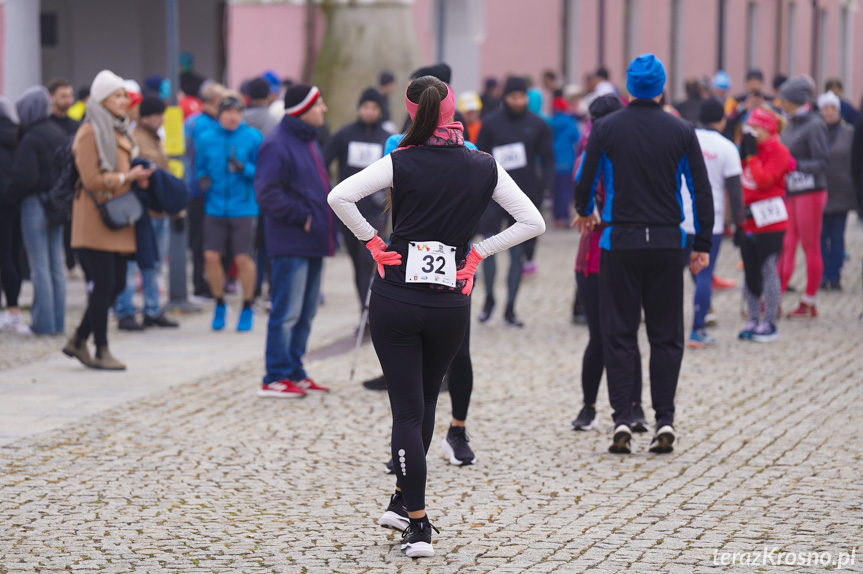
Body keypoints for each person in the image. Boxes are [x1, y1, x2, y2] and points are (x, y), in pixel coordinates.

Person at [328, 75, 545, 558]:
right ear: (452, 111)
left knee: (407, 410)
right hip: (450, 299)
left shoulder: (400, 159)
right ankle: (401, 504)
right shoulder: (482, 165)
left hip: (397, 294)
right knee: (425, 401)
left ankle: (418, 523)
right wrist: (477, 255)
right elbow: (533, 221)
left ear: (413, 113)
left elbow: (338, 196)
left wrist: (373, 244)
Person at [574, 54, 713, 455]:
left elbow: (587, 179)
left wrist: (584, 212)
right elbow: (700, 191)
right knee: (666, 335)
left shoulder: (605, 127)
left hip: (620, 241)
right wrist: (702, 244)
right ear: (662, 86)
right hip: (669, 241)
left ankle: (621, 418)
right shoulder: (683, 130)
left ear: (630, 87)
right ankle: (664, 419)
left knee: (619, 332)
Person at [63, 70, 153, 370]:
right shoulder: (90, 131)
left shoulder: (118, 129)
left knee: (113, 286)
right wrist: (128, 176)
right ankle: (101, 349)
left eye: (124, 95)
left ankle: (78, 339)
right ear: (102, 100)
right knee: (104, 284)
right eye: (117, 96)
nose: (124, 101)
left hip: (117, 216)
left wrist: (136, 178)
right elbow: (91, 179)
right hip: (95, 217)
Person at [570, 94, 647, 433]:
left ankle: (636, 405)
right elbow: (582, 196)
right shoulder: (586, 153)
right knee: (598, 336)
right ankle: (588, 407)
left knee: (627, 333)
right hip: (592, 257)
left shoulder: (634, 154)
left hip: (626, 252)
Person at [254, 84, 335, 398]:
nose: (324, 110)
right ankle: (274, 376)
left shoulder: (309, 141)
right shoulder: (276, 143)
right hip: (291, 240)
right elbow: (267, 193)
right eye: (319, 104)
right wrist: (304, 216)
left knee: (306, 311)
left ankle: (294, 370)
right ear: (302, 110)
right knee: (286, 311)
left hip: (313, 239)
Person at [475, 76, 554, 326]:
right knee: (487, 248)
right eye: (513, 97)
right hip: (492, 195)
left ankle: (510, 307)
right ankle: (488, 300)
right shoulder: (490, 123)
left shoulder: (538, 124)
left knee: (517, 252)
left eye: (522, 97)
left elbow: (548, 159)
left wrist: (547, 189)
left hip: (524, 195)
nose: (518, 101)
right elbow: (477, 157)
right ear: (505, 97)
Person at [679, 98, 743, 347]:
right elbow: (735, 191)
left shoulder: (684, 139)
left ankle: (668, 326)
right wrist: (739, 223)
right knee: (704, 274)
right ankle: (697, 330)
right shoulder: (727, 147)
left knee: (673, 274)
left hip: (679, 218)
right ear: (722, 120)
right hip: (710, 220)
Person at [196, 94, 262, 332]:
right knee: (211, 256)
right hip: (214, 206)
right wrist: (201, 179)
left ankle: (247, 305)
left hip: (243, 206)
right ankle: (220, 302)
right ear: (219, 114)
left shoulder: (252, 137)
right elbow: (200, 166)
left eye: (238, 112)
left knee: (242, 258)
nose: (233, 117)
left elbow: (262, 171)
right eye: (228, 112)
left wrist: (245, 168)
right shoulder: (205, 138)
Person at [324, 87, 389, 316]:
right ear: (359, 109)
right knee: (356, 261)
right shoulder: (344, 135)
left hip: (376, 208)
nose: (369, 112)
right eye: (365, 107)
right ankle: (365, 308)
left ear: (380, 111)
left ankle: (372, 310)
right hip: (349, 208)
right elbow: (324, 160)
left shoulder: (385, 138)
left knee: (367, 259)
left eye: (373, 108)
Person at [115, 97, 178, 330]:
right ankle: (125, 310)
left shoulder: (156, 138)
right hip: (143, 211)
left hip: (158, 210)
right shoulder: (136, 139)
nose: (161, 119)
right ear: (145, 117)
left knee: (154, 263)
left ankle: (152, 309)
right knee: (134, 264)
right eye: (158, 115)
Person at [9, 87, 68, 336]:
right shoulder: (57, 132)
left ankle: (42, 324)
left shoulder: (31, 137)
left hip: (35, 203)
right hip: (57, 204)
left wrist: (10, 196)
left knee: (39, 267)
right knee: (56, 266)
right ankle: (57, 322)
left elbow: (25, 177)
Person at [737, 107, 793, 342]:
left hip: (770, 222)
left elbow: (763, 181)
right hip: (748, 220)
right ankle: (753, 317)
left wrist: (751, 157)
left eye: (755, 127)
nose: (751, 132)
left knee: (768, 269)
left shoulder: (778, 151)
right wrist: (744, 155)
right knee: (749, 271)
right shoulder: (752, 149)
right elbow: (739, 180)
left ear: (767, 129)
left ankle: (769, 322)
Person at [776, 75, 829, 318]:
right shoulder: (791, 122)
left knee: (809, 246)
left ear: (795, 101)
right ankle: (775, 296)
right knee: (786, 245)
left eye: (784, 100)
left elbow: (822, 162)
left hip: (811, 192)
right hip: (792, 191)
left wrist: (794, 164)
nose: (780, 103)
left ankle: (809, 300)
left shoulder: (815, 124)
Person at [185, 82, 225, 300]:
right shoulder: (207, 126)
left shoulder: (190, 122)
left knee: (199, 239)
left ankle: (202, 283)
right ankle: (201, 285)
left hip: (194, 188)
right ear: (215, 102)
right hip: (204, 190)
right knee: (204, 241)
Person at [817, 91, 855, 291]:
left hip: (842, 192)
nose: (829, 112)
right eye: (826, 108)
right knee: (821, 236)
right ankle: (823, 275)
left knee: (838, 236)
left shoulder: (849, 133)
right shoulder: (815, 132)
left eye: (833, 108)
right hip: (820, 191)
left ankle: (835, 274)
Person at [0, 97, 25, 333]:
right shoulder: (17, 135)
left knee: (4, 257)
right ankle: (14, 310)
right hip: (15, 203)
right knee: (12, 256)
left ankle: (11, 312)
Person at [551, 94, 580, 228]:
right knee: (566, 190)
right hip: (567, 160)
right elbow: (577, 138)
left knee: (555, 190)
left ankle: (556, 217)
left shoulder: (550, 122)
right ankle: (564, 217)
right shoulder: (570, 121)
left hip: (553, 159)